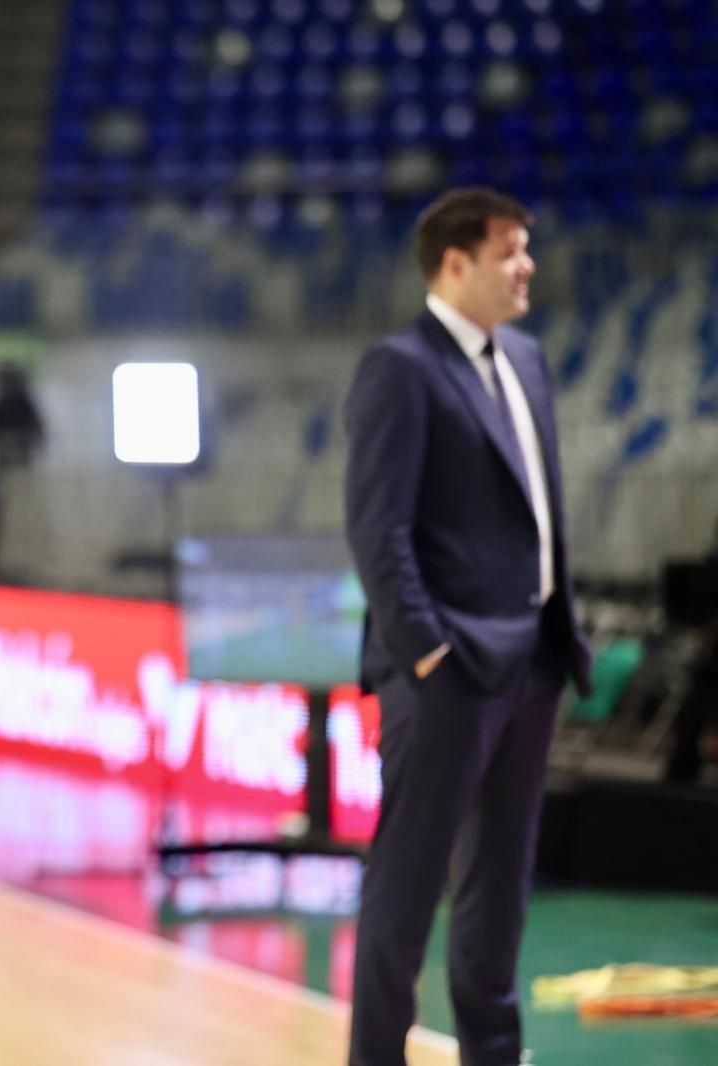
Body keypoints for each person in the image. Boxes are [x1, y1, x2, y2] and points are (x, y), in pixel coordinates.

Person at [343, 187, 592, 1066]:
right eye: (509, 252)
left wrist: (560, 628)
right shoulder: (399, 368)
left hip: (531, 661)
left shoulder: (525, 359)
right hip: (445, 673)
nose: (526, 267)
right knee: (407, 892)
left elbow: (539, 510)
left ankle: (493, 1055)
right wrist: (428, 652)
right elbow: (379, 529)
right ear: (456, 263)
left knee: (500, 895)